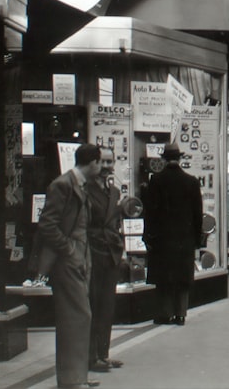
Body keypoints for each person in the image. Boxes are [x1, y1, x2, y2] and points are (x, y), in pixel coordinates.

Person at [36, 142, 103, 389]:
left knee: (79, 318)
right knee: (76, 317)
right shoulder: (63, 185)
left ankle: (77, 376)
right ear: (93, 163)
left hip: (79, 260)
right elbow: (48, 225)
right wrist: (69, 249)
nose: (104, 166)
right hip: (68, 261)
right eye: (101, 161)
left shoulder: (79, 185)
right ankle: (72, 379)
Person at [142, 142, 203, 326]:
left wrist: (148, 236)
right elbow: (197, 213)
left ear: (163, 159)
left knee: (165, 278)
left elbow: (150, 212)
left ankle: (165, 313)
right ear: (180, 158)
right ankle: (181, 314)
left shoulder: (156, 180)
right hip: (185, 238)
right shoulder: (191, 181)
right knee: (182, 277)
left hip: (163, 239)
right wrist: (197, 239)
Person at [87, 148, 125, 374]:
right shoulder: (86, 191)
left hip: (111, 253)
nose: (107, 166)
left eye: (111, 161)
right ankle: (91, 356)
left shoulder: (115, 192)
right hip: (93, 251)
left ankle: (103, 354)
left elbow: (115, 223)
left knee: (107, 307)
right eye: (103, 161)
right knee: (93, 305)